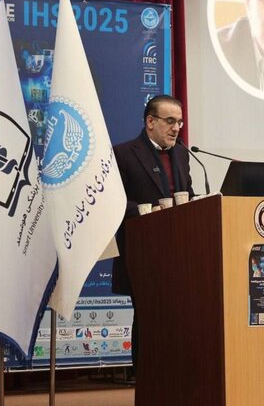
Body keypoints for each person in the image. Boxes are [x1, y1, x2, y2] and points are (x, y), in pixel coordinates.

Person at [111, 94, 194, 370]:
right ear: (150, 121)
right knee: (148, 316)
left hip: (180, 251)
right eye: (170, 121)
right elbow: (114, 203)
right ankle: (145, 378)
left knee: (180, 317)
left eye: (179, 122)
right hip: (142, 251)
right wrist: (148, 211)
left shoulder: (181, 153)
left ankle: (176, 375)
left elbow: (187, 195)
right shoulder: (124, 153)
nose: (176, 128)